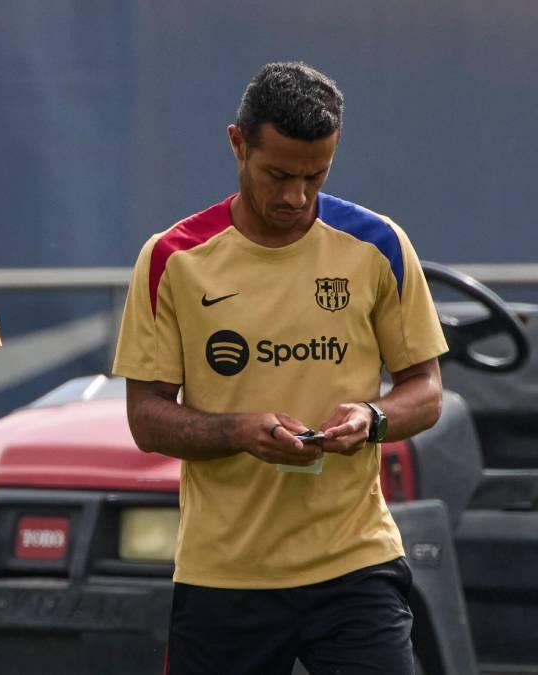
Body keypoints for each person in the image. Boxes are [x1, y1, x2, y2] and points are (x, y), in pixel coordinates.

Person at [114, 61, 448, 674]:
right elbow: (146, 417)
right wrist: (239, 431)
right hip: (225, 574)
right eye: (278, 175)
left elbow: (426, 391)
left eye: (315, 175)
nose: (296, 196)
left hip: (355, 564)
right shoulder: (173, 258)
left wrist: (371, 417)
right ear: (237, 144)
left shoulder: (379, 246)